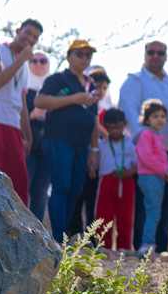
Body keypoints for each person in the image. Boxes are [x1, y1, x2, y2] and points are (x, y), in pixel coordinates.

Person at [118, 40, 168, 253]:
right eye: (151, 52)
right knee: (147, 206)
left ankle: (160, 246)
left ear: (166, 56)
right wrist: (148, 140)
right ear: (144, 54)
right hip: (146, 157)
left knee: (165, 205)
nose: (156, 56)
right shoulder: (134, 81)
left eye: (160, 52)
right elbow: (130, 117)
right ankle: (143, 245)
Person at [34, 40, 100, 242]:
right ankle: (56, 239)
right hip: (59, 137)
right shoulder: (58, 79)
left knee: (75, 190)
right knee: (61, 185)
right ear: (68, 56)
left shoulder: (91, 85)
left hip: (82, 144)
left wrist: (94, 150)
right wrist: (74, 99)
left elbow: (94, 118)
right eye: (80, 54)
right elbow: (40, 101)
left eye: (88, 55)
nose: (84, 58)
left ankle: (63, 237)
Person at [0, 19, 42, 204]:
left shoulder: (24, 66)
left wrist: (28, 136)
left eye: (35, 37)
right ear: (18, 30)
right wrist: (22, 58)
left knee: (19, 182)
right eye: (28, 33)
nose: (30, 39)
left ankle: (20, 230)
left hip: (14, 126)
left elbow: (22, 102)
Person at [68, 67, 111, 236]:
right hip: (80, 156)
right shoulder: (82, 109)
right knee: (77, 196)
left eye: (104, 88)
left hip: (100, 161)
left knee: (93, 200)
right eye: (97, 87)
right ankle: (74, 233)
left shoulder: (108, 113)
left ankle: (92, 237)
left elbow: (109, 137)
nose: (100, 91)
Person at [91, 108, 138, 250]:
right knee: (103, 215)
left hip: (126, 181)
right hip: (106, 181)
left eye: (118, 127)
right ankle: (103, 247)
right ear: (104, 125)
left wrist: (129, 172)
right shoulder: (101, 144)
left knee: (126, 216)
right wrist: (91, 169)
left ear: (125, 124)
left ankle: (124, 248)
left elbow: (137, 164)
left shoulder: (130, 143)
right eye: (110, 127)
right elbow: (94, 162)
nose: (114, 131)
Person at [136, 99, 168, 250]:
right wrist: (165, 170)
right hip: (149, 177)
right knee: (153, 210)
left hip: (158, 178)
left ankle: (149, 242)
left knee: (155, 210)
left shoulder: (158, 136)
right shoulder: (145, 133)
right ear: (147, 119)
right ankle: (147, 244)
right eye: (155, 116)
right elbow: (147, 157)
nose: (160, 119)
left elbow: (163, 158)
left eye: (162, 116)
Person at [25, 50, 51, 222]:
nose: (38, 64)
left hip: (47, 148)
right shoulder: (22, 88)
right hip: (27, 146)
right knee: (22, 188)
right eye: (34, 60)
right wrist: (31, 115)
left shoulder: (53, 90)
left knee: (41, 193)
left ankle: (38, 234)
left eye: (43, 61)